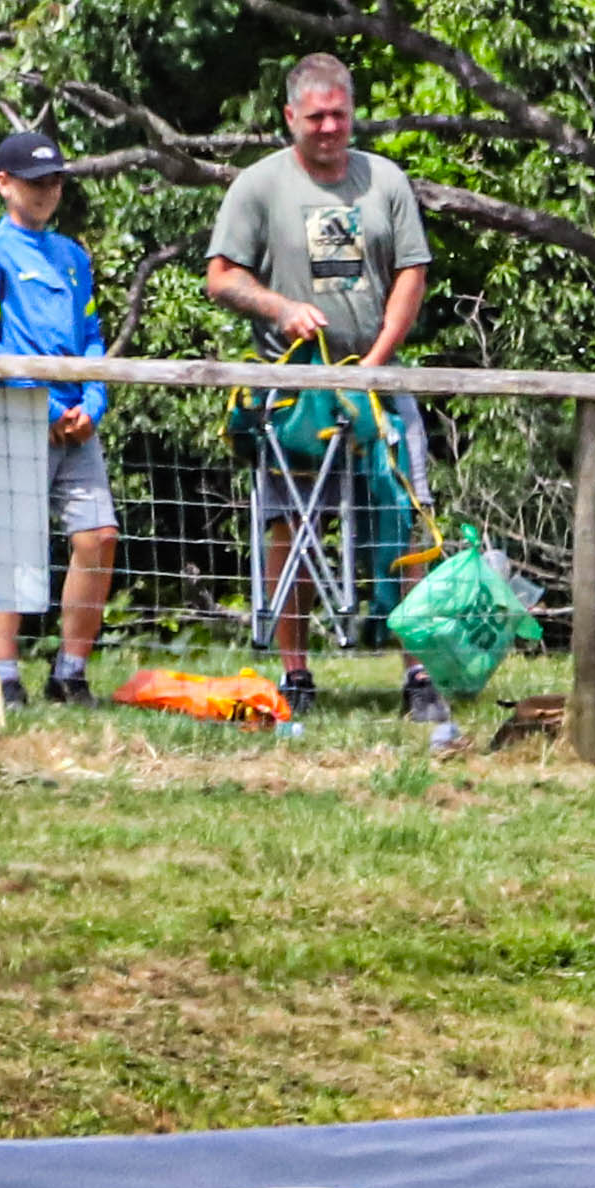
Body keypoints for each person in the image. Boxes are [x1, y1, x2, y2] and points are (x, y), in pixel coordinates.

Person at [204, 55, 443, 736]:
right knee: (292, 528)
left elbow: (412, 271)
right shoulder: (259, 185)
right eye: (316, 117)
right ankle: (296, 673)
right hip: (295, 391)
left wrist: (376, 362)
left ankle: (418, 675)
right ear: (290, 117)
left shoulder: (385, 179)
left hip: (378, 381)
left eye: (340, 113)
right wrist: (279, 308)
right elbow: (221, 277)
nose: (331, 127)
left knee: (407, 518)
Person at [0, 126, 114, 710]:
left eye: (55, 181)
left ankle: (70, 673)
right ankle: (3, 676)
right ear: (3, 184)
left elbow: (92, 337)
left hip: (79, 422)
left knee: (99, 537)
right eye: (35, 181)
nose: (47, 191)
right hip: (16, 417)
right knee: (14, 547)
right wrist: (43, 406)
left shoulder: (73, 256)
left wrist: (93, 403)